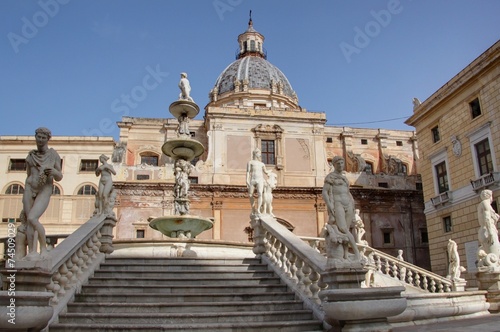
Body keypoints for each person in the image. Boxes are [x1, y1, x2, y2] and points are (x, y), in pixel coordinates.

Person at [21, 127, 63, 260]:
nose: (40, 140)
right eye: (38, 137)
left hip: (45, 188)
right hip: (29, 187)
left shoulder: (53, 155)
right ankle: (32, 252)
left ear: (48, 139)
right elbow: (28, 174)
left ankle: (43, 249)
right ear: (35, 137)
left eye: (43, 137)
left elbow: (59, 176)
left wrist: (53, 172)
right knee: (29, 222)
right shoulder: (31, 155)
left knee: (33, 218)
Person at [322, 156, 360, 260]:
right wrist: (329, 205)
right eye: (338, 163)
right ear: (334, 165)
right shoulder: (330, 177)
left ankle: (346, 254)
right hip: (337, 204)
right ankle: (357, 252)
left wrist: (352, 204)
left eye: (342, 163)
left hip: (348, 204)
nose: (340, 165)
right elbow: (325, 192)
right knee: (343, 228)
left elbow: (348, 192)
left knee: (345, 230)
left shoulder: (345, 178)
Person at [477, 189, 500, 257]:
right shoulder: (485, 203)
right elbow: (487, 218)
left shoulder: (481, 205)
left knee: (492, 256)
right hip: (488, 231)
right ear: (490, 196)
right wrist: (490, 233)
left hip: (483, 231)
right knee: (495, 257)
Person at [246, 149, 269, 214]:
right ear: (255, 154)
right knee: (250, 194)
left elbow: (266, 171)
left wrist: (270, 173)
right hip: (253, 179)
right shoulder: (250, 162)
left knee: (260, 194)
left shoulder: (262, 164)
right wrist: (247, 180)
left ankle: (258, 209)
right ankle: (253, 208)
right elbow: (248, 172)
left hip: (260, 179)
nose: (260, 155)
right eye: (259, 153)